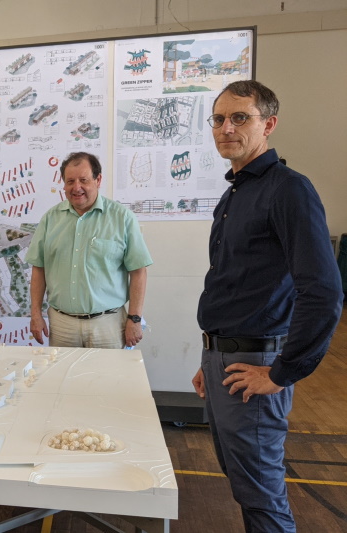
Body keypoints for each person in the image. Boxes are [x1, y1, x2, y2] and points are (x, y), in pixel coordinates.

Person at [192, 80, 342, 532]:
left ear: (269, 124)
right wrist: (211, 356)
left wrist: (282, 373)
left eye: (240, 117)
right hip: (225, 359)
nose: (226, 128)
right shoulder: (235, 192)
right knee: (245, 484)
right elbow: (238, 285)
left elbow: (324, 293)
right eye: (219, 119)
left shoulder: (288, 190)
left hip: (255, 366)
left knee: (262, 497)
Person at [25, 152, 152, 348]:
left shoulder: (122, 218)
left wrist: (134, 319)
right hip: (62, 325)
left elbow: (138, 271)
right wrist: (35, 314)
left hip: (108, 325)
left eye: (83, 180)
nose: (76, 187)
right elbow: (38, 269)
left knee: (108, 370)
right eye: (70, 181)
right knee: (62, 370)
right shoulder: (50, 219)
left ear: (98, 180)